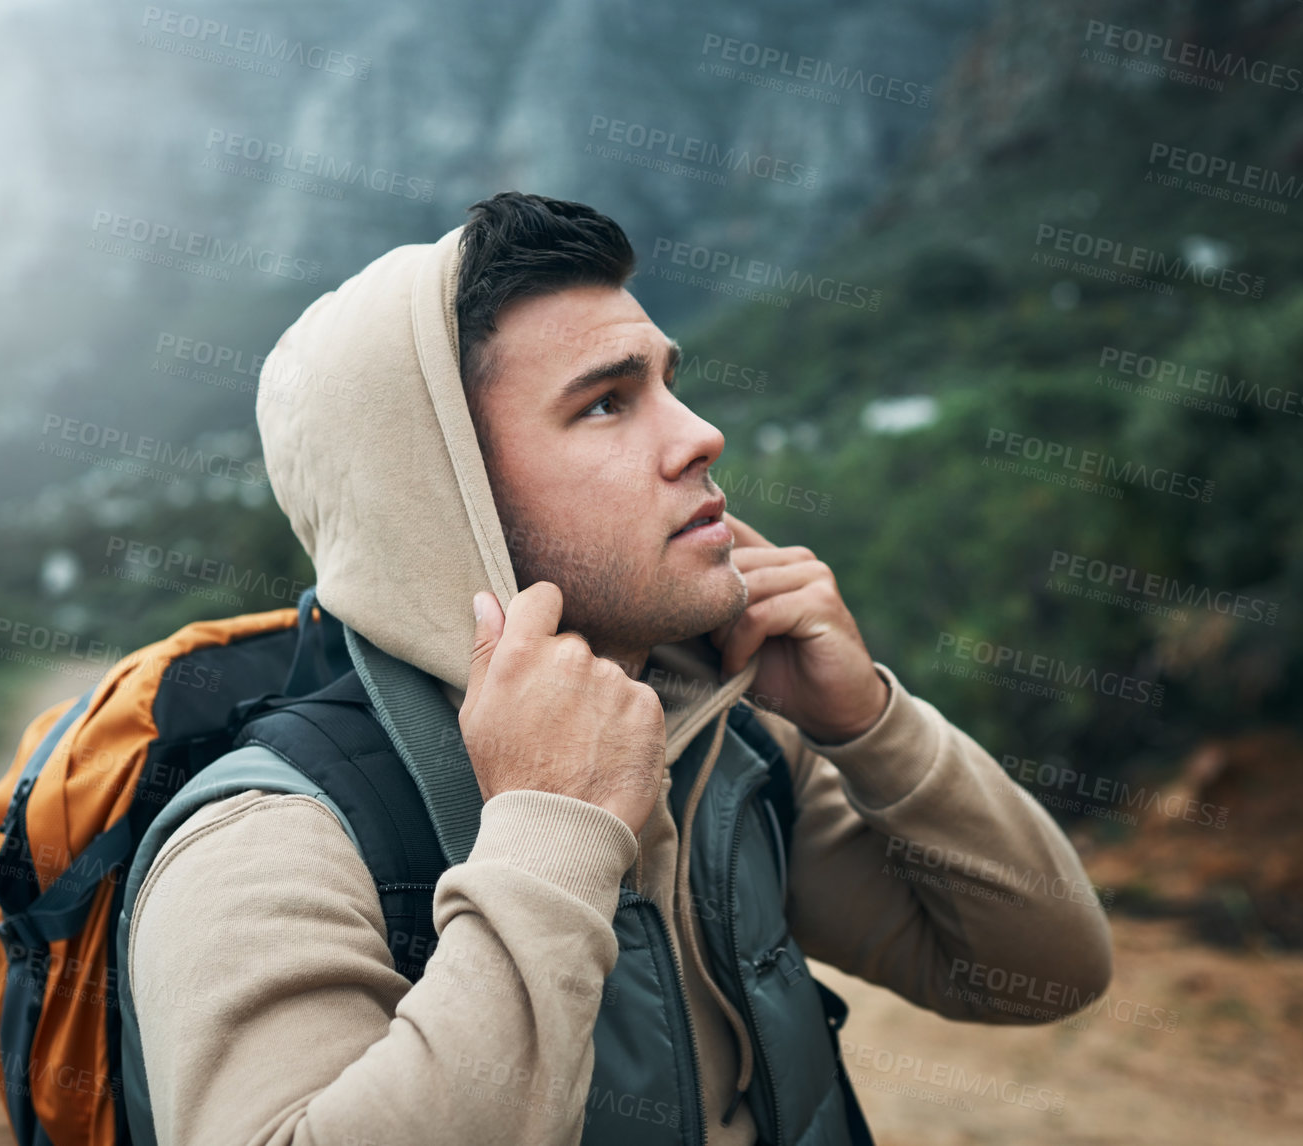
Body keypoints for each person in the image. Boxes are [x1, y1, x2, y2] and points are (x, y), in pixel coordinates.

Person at [126, 190, 1112, 1146]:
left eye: (667, 385)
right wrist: (550, 838)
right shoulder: (269, 844)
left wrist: (872, 725)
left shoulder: (728, 745)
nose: (698, 436)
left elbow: (1043, 970)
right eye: (606, 404)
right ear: (442, 497)